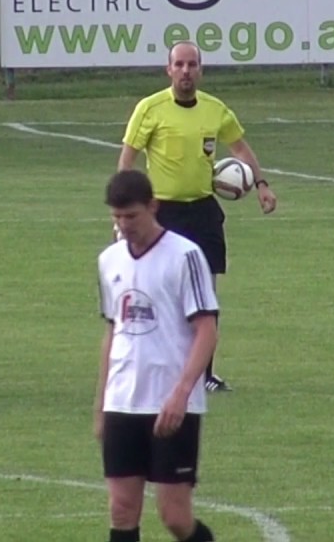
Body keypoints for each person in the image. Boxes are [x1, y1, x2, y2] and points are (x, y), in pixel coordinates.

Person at [117, 41, 276, 393]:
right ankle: (157, 368)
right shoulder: (150, 109)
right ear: (168, 69)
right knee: (158, 293)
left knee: (205, 295)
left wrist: (261, 184)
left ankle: (205, 375)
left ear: (201, 70)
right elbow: (127, 159)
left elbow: (239, 147)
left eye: (192, 65)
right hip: (162, 213)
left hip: (203, 211)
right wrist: (125, 210)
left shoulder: (215, 110)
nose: (186, 71)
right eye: (179, 64)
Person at [94, 169, 220, 542]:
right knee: (121, 510)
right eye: (117, 216)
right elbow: (113, 331)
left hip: (170, 402)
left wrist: (181, 393)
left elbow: (207, 329)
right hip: (122, 401)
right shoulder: (109, 260)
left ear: (153, 206)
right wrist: (101, 405)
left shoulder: (185, 256)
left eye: (131, 216)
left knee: (174, 516)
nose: (124, 225)